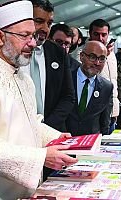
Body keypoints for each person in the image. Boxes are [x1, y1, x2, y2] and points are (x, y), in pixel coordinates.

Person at [0, 1, 77, 199]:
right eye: (25, 36)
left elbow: (29, 123)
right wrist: (41, 157)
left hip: (27, 191)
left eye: (33, 35)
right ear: (0, 37)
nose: (33, 43)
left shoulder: (22, 76)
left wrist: (55, 137)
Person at [24, 0, 75, 132]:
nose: (45, 29)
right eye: (39, 21)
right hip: (20, 133)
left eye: (49, 23)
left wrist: (46, 128)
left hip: (53, 132)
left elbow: (68, 96)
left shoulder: (58, 53)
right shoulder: (13, 53)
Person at [66, 41, 113, 136]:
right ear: (81, 56)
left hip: (91, 144)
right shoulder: (66, 79)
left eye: (102, 59)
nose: (97, 63)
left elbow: (105, 122)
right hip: (64, 141)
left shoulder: (107, 87)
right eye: (92, 57)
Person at [88, 19, 119, 134]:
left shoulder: (111, 54)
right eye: (96, 34)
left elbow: (114, 81)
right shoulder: (83, 53)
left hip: (112, 112)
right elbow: (88, 75)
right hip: (95, 115)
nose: (100, 38)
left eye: (104, 35)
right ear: (90, 34)